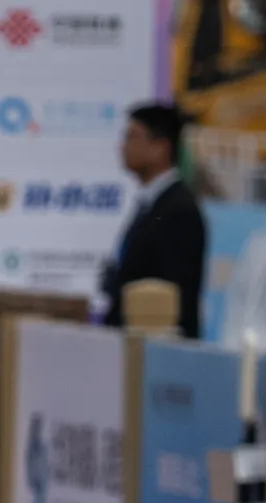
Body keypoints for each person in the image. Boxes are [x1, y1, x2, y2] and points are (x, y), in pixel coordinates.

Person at [100, 101, 205, 338]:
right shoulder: (151, 204)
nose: (123, 147)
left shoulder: (179, 210)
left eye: (132, 137)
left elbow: (176, 295)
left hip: (154, 350)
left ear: (160, 147)